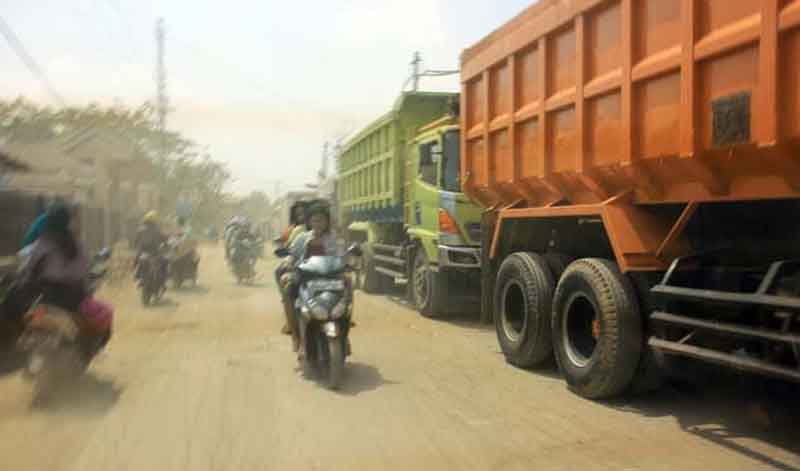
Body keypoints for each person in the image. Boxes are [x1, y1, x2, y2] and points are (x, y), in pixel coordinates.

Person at [280, 200, 344, 355]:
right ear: (309, 222)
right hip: (305, 278)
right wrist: (288, 261)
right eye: (315, 220)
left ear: (327, 222)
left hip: (330, 278)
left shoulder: (333, 239)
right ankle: (296, 336)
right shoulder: (302, 238)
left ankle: (344, 325)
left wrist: (347, 262)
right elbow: (292, 255)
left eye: (321, 220)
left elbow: (342, 255)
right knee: (288, 290)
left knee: (347, 287)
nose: (318, 224)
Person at [275, 201, 307, 335]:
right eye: (298, 214)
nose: (301, 216)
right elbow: (289, 247)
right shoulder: (295, 231)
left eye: (304, 213)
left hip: (321, 269)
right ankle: (291, 323)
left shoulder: (328, 234)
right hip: (299, 265)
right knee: (283, 279)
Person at [134, 211, 168, 285]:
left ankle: (137, 276)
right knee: (164, 261)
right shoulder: (157, 229)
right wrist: (166, 245)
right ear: (155, 221)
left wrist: (137, 247)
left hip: (143, 251)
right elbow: (164, 239)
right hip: (155, 252)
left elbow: (136, 241)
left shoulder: (140, 229)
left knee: (137, 260)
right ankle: (163, 279)